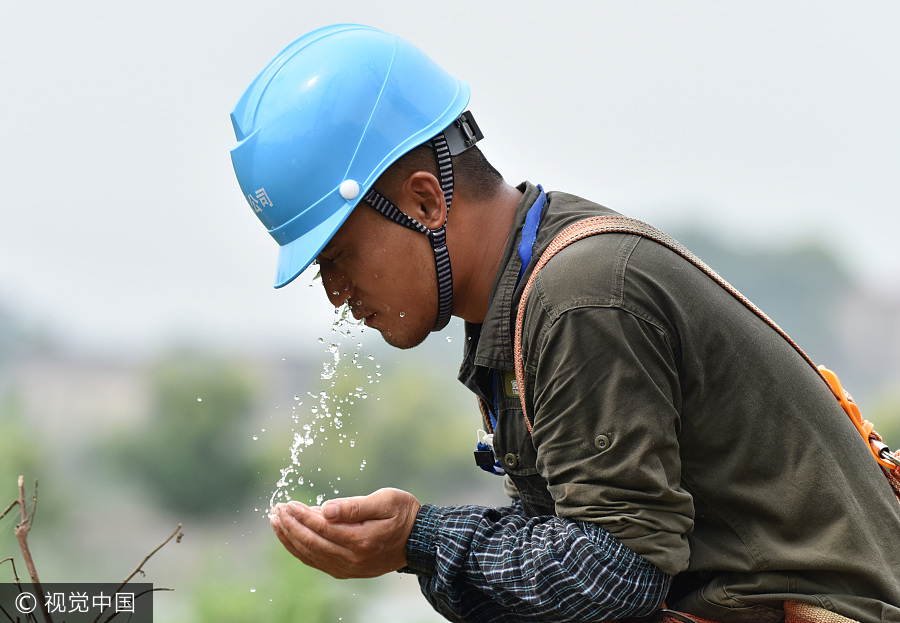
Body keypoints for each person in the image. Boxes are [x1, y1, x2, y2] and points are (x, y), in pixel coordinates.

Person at [229, 24, 900, 623]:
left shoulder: (580, 297)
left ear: (426, 201)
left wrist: (421, 537)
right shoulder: (521, 298)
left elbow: (615, 575)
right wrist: (415, 544)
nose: (336, 295)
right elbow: (563, 563)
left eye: (340, 257)